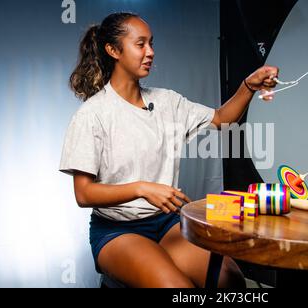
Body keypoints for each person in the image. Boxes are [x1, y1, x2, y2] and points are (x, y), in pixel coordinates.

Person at [59, 12, 278, 288]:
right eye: (140, 44)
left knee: (230, 281)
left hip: (166, 223)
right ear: (113, 50)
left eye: (151, 43)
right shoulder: (93, 114)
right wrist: (142, 188)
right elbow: (84, 193)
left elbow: (222, 119)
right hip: (117, 231)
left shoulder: (167, 102)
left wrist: (248, 86)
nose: (150, 52)